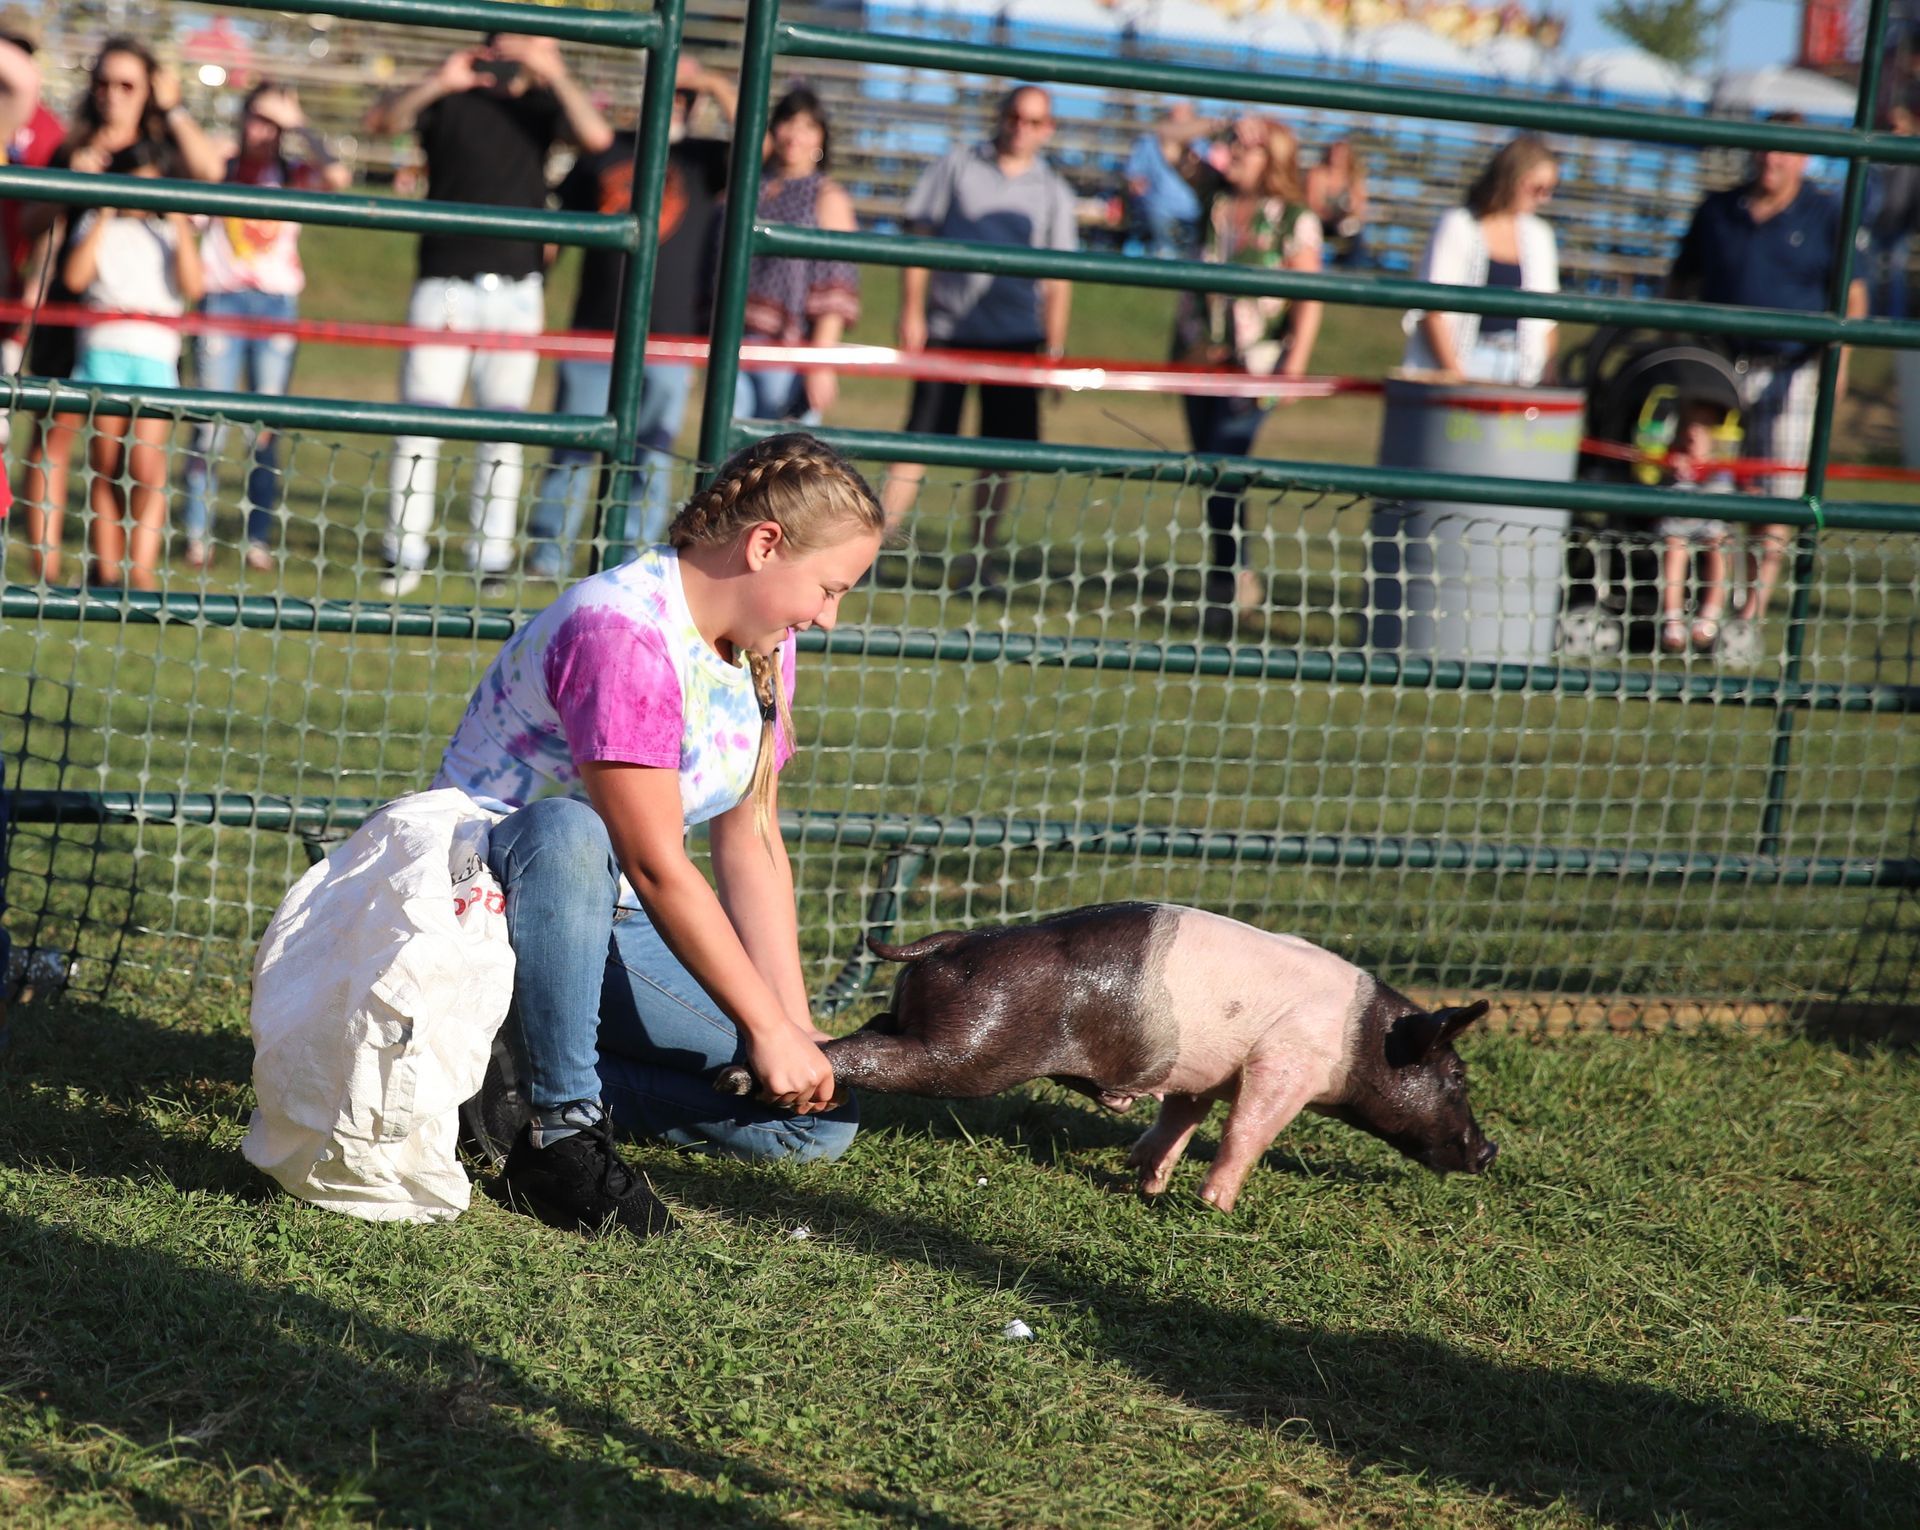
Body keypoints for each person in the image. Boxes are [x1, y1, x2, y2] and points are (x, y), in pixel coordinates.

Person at [431, 433, 883, 1239]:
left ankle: (495, 1084)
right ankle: (559, 1135)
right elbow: (651, 860)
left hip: (621, 923)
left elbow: (753, 835)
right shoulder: (622, 630)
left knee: (815, 1114)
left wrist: (793, 1022)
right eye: (827, 587)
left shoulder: (763, 644)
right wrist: (763, 1029)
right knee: (572, 831)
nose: (827, 614)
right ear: (765, 543)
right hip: (493, 908)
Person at [367, 33, 613, 598]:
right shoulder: (451, 95)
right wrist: (439, 81)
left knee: (504, 431)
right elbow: (381, 122)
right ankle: (402, 552)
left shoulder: (541, 105)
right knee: (420, 425)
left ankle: (492, 557)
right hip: (443, 286)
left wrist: (552, 70)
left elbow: (596, 137)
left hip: (516, 291)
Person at [18, 37, 221, 585]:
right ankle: (47, 569)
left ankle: (129, 568)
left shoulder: (163, 150)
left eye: (127, 85)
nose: (112, 95)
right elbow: (30, 220)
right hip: (75, 311)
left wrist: (174, 110)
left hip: (146, 328)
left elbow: (211, 175)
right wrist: (74, 187)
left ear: (148, 89)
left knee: (140, 462)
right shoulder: (72, 146)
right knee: (55, 437)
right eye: (103, 83)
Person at [525, 56, 736, 580]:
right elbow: (559, 230)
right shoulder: (605, 151)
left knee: (653, 456)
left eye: (682, 98)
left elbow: (763, 147)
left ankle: (632, 563)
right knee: (573, 448)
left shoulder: (703, 159)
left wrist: (709, 79)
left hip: (670, 338)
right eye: (664, 95)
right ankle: (547, 556)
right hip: (596, 332)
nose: (671, 107)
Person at [1667, 113, 1868, 630]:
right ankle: (1686, 607)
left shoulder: (1826, 215)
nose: (1771, 158)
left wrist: (1838, 365)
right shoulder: (1717, 211)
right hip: (1715, 365)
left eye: (1784, 150)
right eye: (1764, 147)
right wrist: (1681, 358)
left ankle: (1748, 612)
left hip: (1790, 368)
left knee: (1775, 495)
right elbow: (1680, 285)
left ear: (1803, 158)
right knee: (1696, 483)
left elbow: (1853, 297)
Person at [881, 85, 1078, 576]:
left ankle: (982, 558)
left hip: (1015, 339)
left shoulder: (1054, 192)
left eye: (1034, 121)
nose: (1021, 126)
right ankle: (874, 547)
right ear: (1000, 116)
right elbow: (918, 238)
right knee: (916, 443)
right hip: (949, 329)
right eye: (1015, 115)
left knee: (999, 453)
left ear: (1047, 129)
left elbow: (1058, 280)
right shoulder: (956, 166)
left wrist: (1053, 349)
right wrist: (912, 311)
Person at [178, 83, 349, 573]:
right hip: (222, 303)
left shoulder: (293, 174)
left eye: (272, 122)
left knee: (265, 431)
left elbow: (337, 176)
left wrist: (298, 124)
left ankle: (257, 539)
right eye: (255, 117)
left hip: (276, 306)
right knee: (209, 426)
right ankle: (196, 534)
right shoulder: (222, 169)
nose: (260, 130)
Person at [1173, 115, 1325, 634]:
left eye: (1248, 147)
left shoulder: (1294, 218)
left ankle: (1231, 576)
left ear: (1274, 158)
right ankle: (1228, 570)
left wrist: (1294, 365)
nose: (1235, 152)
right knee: (1210, 471)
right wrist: (1221, 125)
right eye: (1232, 145)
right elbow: (1168, 143)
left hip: (1254, 366)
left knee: (1225, 466)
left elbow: (1310, 297)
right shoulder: (1210, 199)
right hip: (1199, 359)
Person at [62, 139, 203, 589]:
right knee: (106, 463)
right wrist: (104, 211)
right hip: (104, 350)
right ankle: (106, 567)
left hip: (154, 355)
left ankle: (140, 569)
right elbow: (75, 277)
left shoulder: (167, 231)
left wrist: (179, 219)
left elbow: (193, 285)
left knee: (146, 466)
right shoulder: (96, 223)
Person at [733, 85, 860, 426]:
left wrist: (819, 364)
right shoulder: (751, 188)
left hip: (792, 350)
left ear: (821, 138)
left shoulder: (827, 196)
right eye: (788, 122)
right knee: (731, 465)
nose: (795, 135)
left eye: (808, 126)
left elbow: (837, 287)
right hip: (736, 343)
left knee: (787, 468)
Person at [1401, 134, 1560, 386]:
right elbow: (1433, 310)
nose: (1544, 199)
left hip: (1521, 368)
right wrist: (1455, 375)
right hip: (1466, 360)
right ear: (1513, 180)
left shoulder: (1540, 236)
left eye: (1549, 190)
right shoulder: (1458, 225)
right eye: (1538, 189)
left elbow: (1547, 318)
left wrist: (1548, 372)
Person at [1655, 399, 1737, 656]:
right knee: (1675, 548)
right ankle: (1673, 619)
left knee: (1721, 546)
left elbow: (1727, 492)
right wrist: (1675, 468)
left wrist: (1707, 468)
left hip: (1710, 525)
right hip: (1678, 526)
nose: (1693, 433)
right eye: (1690, 425)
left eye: (1701, 426)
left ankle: (1709, 615)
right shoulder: (1673, 458)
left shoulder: (1720, 465)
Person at [1123, 101, 1204, 258]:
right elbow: (1134, 179)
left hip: (1194, 215)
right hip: (1160, 214)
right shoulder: (1149, 143)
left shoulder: (1201, 145)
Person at [1304, 139, 1369, 268]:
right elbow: (1313, 204)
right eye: (1335, 153)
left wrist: (1349, 214)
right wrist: (1331, 215)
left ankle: (1350, 271)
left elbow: (1360, 208)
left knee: (1355, 236)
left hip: (1341, 224)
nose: (1337, 157)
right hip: (1320, 221)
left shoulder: (1353, 177)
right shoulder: (1318, 174)